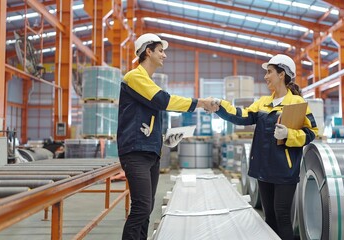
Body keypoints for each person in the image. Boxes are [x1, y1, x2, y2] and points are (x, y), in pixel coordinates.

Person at [117, 33, 218, 240]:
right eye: (161, 51)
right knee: (142, 207)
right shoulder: (134, 77)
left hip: (149, 152)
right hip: (135, 152)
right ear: (148, 51)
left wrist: (164, 138)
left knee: (147, 208)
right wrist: (199, 102)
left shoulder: (146, 81)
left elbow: (145, 120)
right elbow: (164, 101)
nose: (164, 55)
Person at [212, 54, 318, 240]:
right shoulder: (263, 103)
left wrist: (289, 135)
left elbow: (311, 133)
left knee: (282, 216)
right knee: (269, 218)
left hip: (285, 169)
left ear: (282, 74)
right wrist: (221, 106)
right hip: (264, 169)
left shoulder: (297, 103)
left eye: (269, 72)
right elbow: (241, 115)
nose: (266, 76)